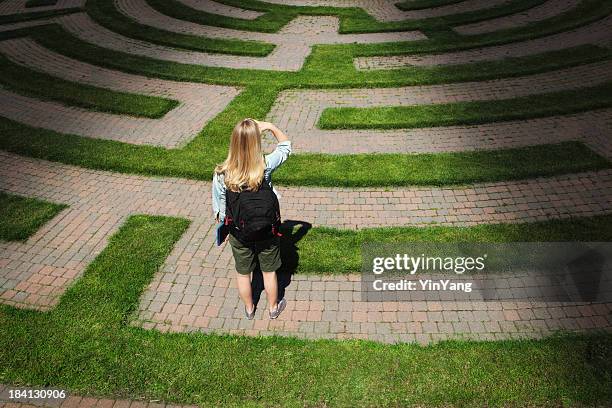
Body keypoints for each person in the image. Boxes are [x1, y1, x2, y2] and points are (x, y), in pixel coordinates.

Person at [212, 118, 291, 320]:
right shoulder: (265, 165)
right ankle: (273, 308)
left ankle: (249, 309)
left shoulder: (222, 172)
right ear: (256, 142)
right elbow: (286, 146)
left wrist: (225, 227)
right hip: (268, 230)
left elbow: (220, 208)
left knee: (243, 273)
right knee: (269, 272)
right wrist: (271, 126)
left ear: (234, 141)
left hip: (239, 231)